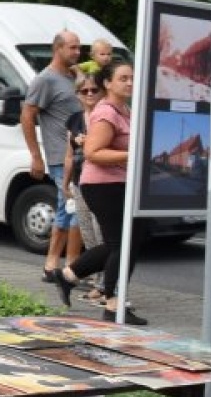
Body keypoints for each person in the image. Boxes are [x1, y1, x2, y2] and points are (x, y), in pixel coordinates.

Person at [52, 60, 148, 324]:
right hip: (103, 185)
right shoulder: (106, 112)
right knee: (122, 245)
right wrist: (132, 154)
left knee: (122, 243)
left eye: (132, 78)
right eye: (123, 78)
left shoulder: (125, 110)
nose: (130, 83)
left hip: (119, 183)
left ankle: (68, 276)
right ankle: (113, 306)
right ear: (107, 83)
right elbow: (93, 152)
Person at [22, 30, 83, 282]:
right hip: (60, 156)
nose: (78, 52)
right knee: (75, 209)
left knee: (67, 209)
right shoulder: (45, 80)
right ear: (57, 49)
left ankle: (52, 265)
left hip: (81, 155)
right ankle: (72, 268)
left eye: (79, 47)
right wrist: (36, 156)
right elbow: (27, 116)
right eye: (73, 48)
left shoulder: (74, 76)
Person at [58, 70, 105, 305]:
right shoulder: (75, 120)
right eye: (83, 91)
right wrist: (65, 182)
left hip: (100, 184)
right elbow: (69, 155)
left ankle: (107, 286)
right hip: (80, 183)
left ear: (102, 91)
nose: (89, 94)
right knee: (88, 235)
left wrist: (90, 144)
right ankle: (99, 284)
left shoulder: (104, 118)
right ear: (77, 94)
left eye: (94, 90)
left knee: (102, 234)